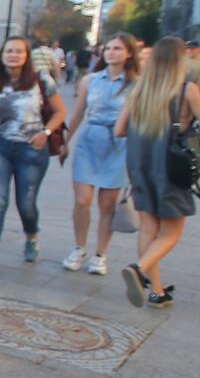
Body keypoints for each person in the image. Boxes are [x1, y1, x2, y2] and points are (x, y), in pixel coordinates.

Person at [0, 35, 68, 276]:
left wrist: (46, 132)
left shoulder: (41, 80)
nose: (13, 55)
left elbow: (60, 111)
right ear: (1, 55)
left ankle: (32, 236)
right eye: (9, 51)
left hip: (31, 148)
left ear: (26, 56)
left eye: (19, 51)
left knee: (26, 203)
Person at [116, 36, 200, 308]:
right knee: (170, 233)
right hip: (171, 170)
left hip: (140, 167)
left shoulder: (138, 89)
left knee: (148, 230)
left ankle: (157, 291)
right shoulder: (187, 90)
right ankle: (139, 270)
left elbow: (119, 130)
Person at [62, 33, 139, 275]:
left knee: (107, 205)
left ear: (128, 53)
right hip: (89, 141)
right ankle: (79, 247)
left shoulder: (137, 84)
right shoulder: (90, 80)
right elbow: (78, 113)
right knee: (82, 201)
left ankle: (100, 254)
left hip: (118, 145)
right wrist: (65, 142)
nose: (111, 52)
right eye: (108, 48)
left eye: (117, 49)